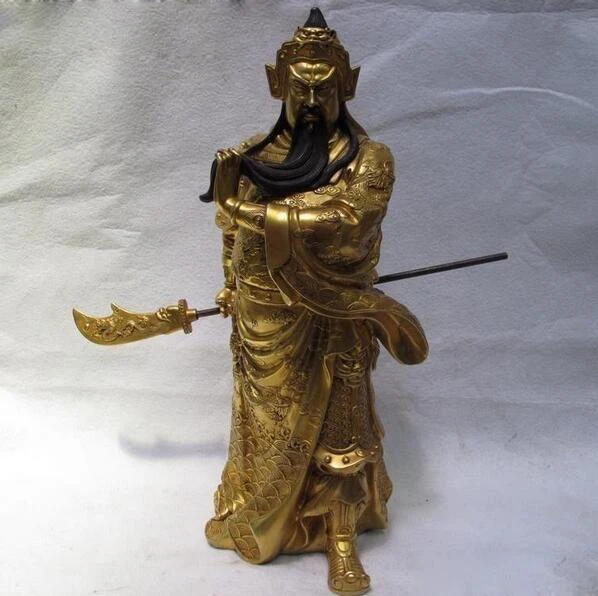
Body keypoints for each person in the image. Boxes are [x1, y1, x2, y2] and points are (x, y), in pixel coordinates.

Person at [201, 8, 428, 595]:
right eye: (298, 88)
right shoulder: (249, 156)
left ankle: (341, 537)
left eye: (322, 89)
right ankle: (254, 506)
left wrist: (246, 210)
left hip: (333, 313)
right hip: (261, 320)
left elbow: (348, 220)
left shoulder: (369, 160)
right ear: (276, 84)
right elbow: (228, 234)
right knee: (261, 424)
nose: (309, 100)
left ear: (346, 86)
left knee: (340, 432)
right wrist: (230, 283)